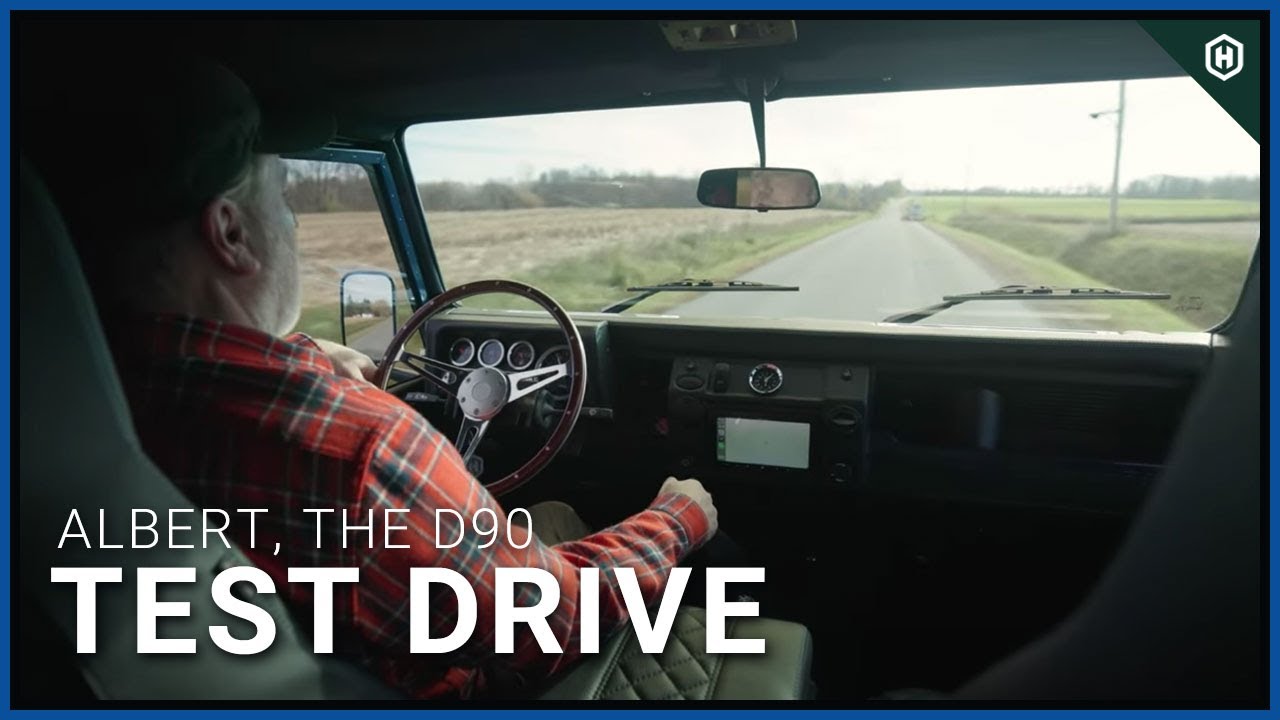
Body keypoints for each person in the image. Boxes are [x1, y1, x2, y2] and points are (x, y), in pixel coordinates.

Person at [26, 58, 719, 699]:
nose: (295, 222)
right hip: (435, 679)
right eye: (284, 196)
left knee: (552, 518)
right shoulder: (359, 452)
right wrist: (678, 518)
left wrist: (297, 353)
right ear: (230, 235)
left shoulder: (56, 397)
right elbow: (549, 618)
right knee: (594, 538)